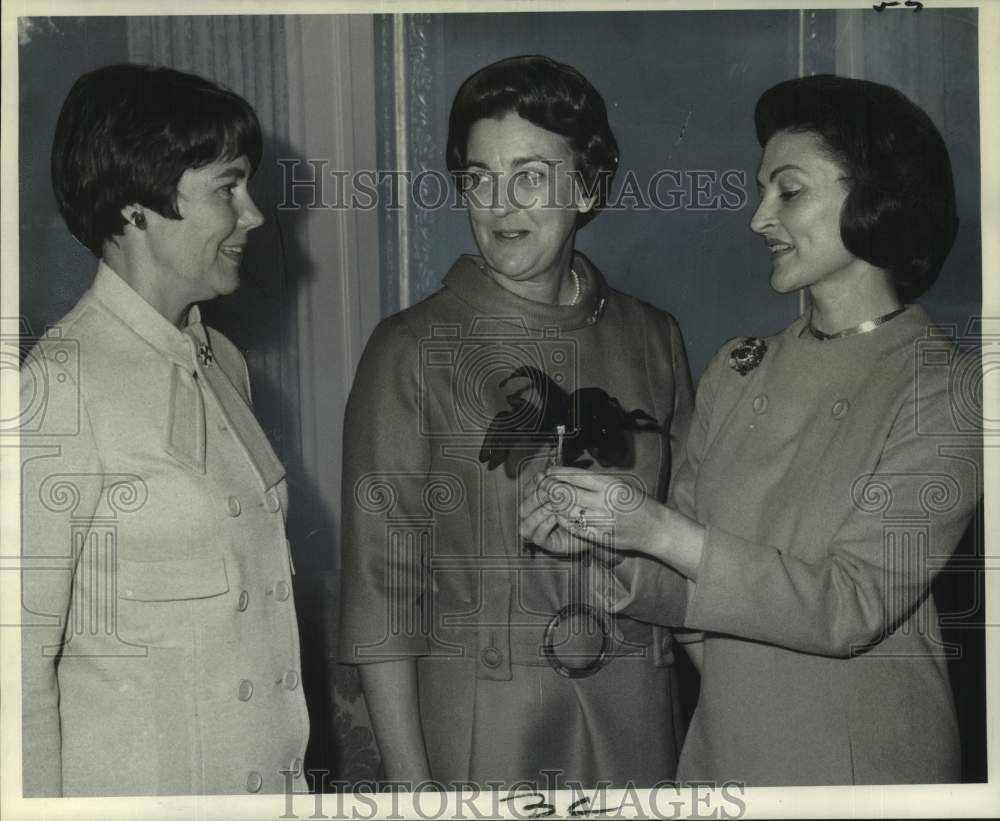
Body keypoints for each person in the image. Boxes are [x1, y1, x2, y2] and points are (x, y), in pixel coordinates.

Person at [522, 74, 982, 786]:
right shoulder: (739, 370)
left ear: (875, 196)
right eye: (762, 190)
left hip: (862, 771)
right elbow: (689, 594)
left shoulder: (947, 390)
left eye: (788, 190)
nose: (759, 218)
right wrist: (601, 538)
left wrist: (656, 530)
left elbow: (849, 604)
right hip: (724, 763)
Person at [338, 54, 694, 789]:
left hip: (638, 719)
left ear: (588, 184)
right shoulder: (409, 349)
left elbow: (692, 551)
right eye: (479, 177)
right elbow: (380, 602)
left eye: (530, 175)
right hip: (481, 729)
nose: (500, 204)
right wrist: (414, 795)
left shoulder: (654, 337)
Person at [20, 64, 309, 796]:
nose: (253, 215)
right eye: (228, 188)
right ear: (137, 205)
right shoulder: (56, 387)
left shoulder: (224, 363)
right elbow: (12, 677)